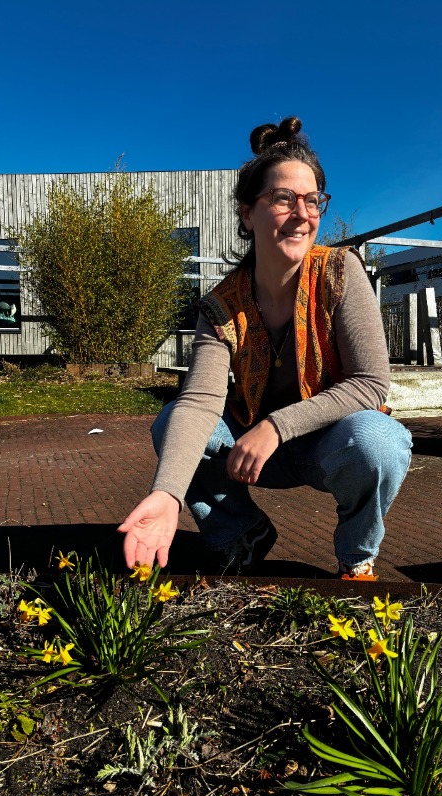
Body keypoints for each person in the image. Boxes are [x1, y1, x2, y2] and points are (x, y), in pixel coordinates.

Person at [118, 117, 412, 580]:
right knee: (173, 419)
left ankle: (356, 559)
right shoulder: (221, 306)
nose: (303, 214)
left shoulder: (340, 273)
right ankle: (241, 533)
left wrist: (277, 426)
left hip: (327, 445)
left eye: (312, 200)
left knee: (380, 440)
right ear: (246, 214)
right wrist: (167, 493)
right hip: (249, 454)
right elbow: (199, 402)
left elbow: (371, 384)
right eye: (283, 198)